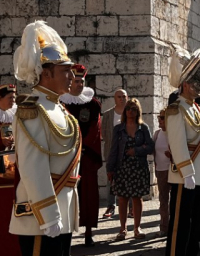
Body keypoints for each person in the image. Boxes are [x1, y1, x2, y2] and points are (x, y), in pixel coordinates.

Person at [8, 20, 81, 256]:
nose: (71, 76)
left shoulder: (59, 109)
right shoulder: (33, 110)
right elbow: (32, 166)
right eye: (65, 71)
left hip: (62, 210)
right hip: (40, 217)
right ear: (47, 73)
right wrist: (49, 215)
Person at [164, 47, 200, 256]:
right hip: (185, 175)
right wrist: (187, 172)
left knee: (197, 223)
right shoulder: (177, 109)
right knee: (180, 225)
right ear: (185, 85)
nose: (199, 87)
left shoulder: (196, 108)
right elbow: (177, 143)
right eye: (195, 83)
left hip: (199, 173)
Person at [61, 64, 105, 245]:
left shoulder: (93, 104)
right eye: (76, 81)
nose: (79, 84)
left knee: (88, 194)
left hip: (86, 155)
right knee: (66, 192)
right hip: (66, 154)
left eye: (82, 81)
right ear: (70, 82)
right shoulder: (61, 102)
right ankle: (66, 230)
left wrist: (81, 145)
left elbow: (95, 128)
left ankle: (88, 231)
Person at [107, 97, 153, 239]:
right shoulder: (118, 129)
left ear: (138, 111)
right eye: (128, 108)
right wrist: (110, 168)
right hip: (122, 167)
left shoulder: (143, 128)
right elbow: (113, 149)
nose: (130, 111)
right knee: (122, 198)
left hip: (139, 168)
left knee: (137, 198)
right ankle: (122, 229)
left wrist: (137, 150)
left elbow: (151, 147)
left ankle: (137, 228)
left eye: (133, 109)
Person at [100, 88, 128, 218]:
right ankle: (111, 205)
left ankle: (131, 208)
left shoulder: (131, 113)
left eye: (124, 96)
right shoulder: (107, 114)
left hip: (128, 152)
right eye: (119, 97)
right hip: (112, 151)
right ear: (114, 98)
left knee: (130, 178)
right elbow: (104, 133)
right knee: (111, 179)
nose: (122, 99)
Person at [153, 110, 172, 233]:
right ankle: (164, 226)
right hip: (160, 170)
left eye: (163, 118)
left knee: (174, 200)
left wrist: (172, 155)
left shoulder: (173, 134)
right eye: (159, 117)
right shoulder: (157, 134)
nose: (160, 120)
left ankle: (173, 226)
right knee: (163, 200)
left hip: (172, 170)